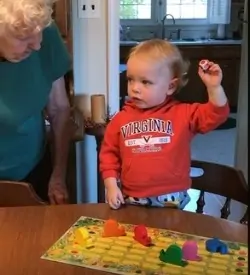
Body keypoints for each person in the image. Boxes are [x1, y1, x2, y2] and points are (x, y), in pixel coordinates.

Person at [99, 39, 230, 210]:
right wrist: (111, 185)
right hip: (131, 197)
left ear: (170, 86)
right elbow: (108, 156)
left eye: (145, 82)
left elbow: (216, 114)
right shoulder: (119, 120)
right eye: (131, 80)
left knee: (170, 236)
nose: (135, 88)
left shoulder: (184, 113)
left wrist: (214, 88)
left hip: (172, 199)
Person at [0, 0, 72, 204]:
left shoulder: (44, 33)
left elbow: (59, 109)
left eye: (39, 32)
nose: (37, 44)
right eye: (23, 37)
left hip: (32, 170)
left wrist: (58, 175)